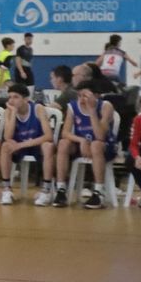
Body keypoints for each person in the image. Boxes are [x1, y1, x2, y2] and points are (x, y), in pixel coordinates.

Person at [49, 81, 118, 209]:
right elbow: (65, 132)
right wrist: (81, 140)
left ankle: (98, 192)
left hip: (104, 146)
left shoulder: (105, 106)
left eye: (85, 95)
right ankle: (61, 189)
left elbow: (100, 136)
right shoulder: (72, 107)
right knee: (63, 143)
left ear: (96, 96)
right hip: (83, 144)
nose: (81, 99)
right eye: (79, 95)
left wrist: (92, 111)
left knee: (96, 145)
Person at [0, 84, 54, 205]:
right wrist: (13, 113)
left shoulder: (38, 109)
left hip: (35, 145)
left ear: (26, 99)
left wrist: (22, 145)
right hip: (18, 147)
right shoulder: (9, 112)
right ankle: (6, 189)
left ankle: (46, 190)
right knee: (5, 146)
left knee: (48, 146)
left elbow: (48, 136)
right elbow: (8, 137)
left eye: (16, 97)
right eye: (9, 97)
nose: (11, 100)